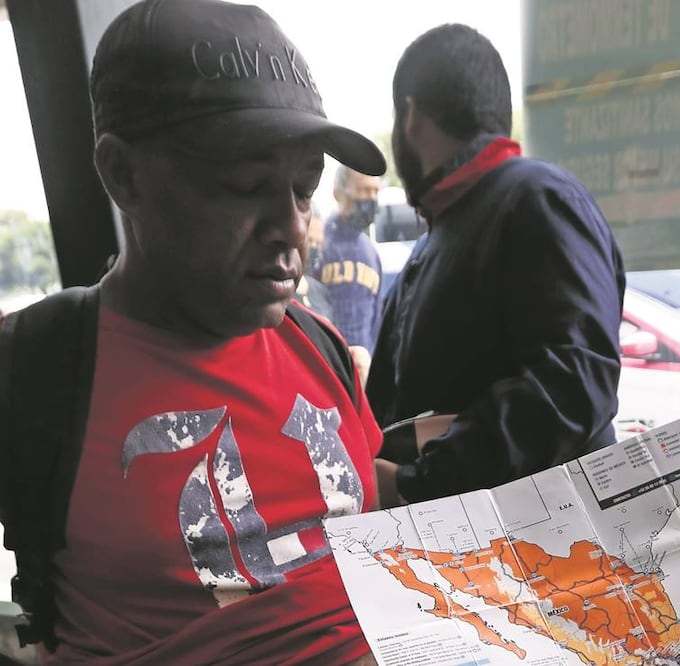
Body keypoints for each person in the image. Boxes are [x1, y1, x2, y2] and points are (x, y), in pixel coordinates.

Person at [0, 0, 389, 662]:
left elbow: (360, 500)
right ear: (123, 175)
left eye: (302, 189)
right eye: (244, 186)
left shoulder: (318, 344)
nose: (293, 228)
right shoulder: (33, 370)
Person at [367, 24, 626, 505]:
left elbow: (574, 385)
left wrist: (417, 483)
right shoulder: (442, 233)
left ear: (410, 118)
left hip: (545, 555)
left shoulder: (538, 198)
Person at [317, 167, 383, 382]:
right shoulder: (318, 243)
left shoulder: (371, 252)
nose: (371, 199)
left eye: (375, 191)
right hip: (324, 369)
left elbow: (376, 320)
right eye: (364, 190)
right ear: (338, 193)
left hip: (363, 374)